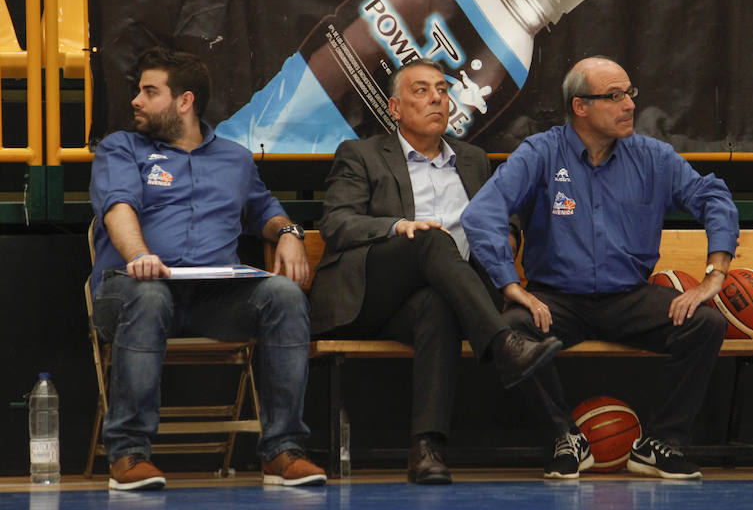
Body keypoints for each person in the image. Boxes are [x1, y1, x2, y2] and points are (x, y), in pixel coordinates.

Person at [462, 56, 739, 480]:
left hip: (629, 296)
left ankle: (661, 443)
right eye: (614, 96)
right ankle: (563, 436)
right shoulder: (541, 152)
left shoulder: (653, 157)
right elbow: (483, 213)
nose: (629, 105)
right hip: (556, 299)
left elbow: (713, 198)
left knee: (705, 324)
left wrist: (714, 276)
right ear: (580, 107)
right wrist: (509, 286)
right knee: (511, 330)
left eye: (630, 93)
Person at [309, 58, 563, 485]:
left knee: (436, 305)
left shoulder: (473, 160)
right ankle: (503, 342)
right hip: (372, 292)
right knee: (429, 237)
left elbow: (505, 212)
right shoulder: (362, 154)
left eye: (442, 90)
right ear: (394, 107)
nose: (436, 99)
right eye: (421, 91)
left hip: (443, 295)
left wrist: (510, 236)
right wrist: (396, 226)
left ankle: (426, 448)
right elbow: (336, 223)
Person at [89, 47, 325, 491]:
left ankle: (282, 450)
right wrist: (140, 255)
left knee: (285, 295)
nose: (136, 101)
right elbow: (118, 207)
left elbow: (265, 210)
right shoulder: (120, 147)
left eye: (149, 91)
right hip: (131, 292)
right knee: (149, 293)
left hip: (215, 298)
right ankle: (128, 455)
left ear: (185, 101)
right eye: (138, 91)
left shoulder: (235, 159)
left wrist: (289, 231)